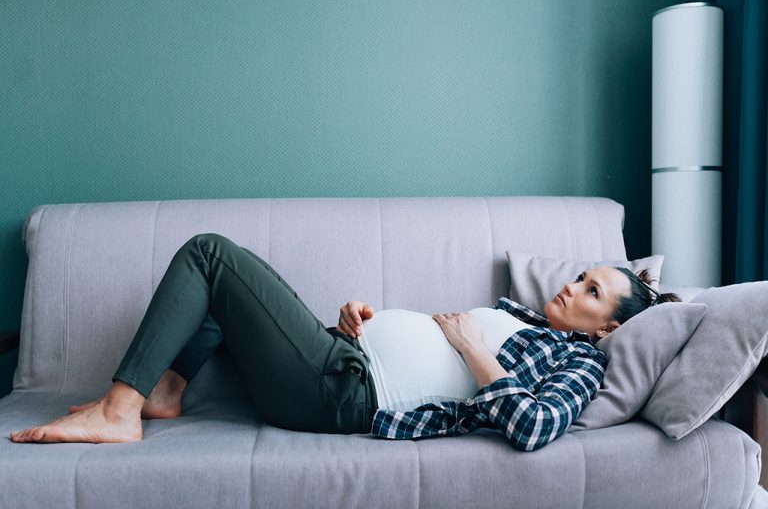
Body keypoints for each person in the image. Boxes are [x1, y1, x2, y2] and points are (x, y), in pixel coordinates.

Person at [8, 233, 679, 450]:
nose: (572, 289)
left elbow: (533, 427)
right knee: (228, 282)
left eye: (592, 294)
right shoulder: (526, 320)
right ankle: (164, 390)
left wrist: (474, 349)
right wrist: (354, 325)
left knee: (210, 256)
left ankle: (122, 408)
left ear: (609, 328)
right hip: (344, 359)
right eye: (581, 278)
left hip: (345, 395)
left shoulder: (576, 361)